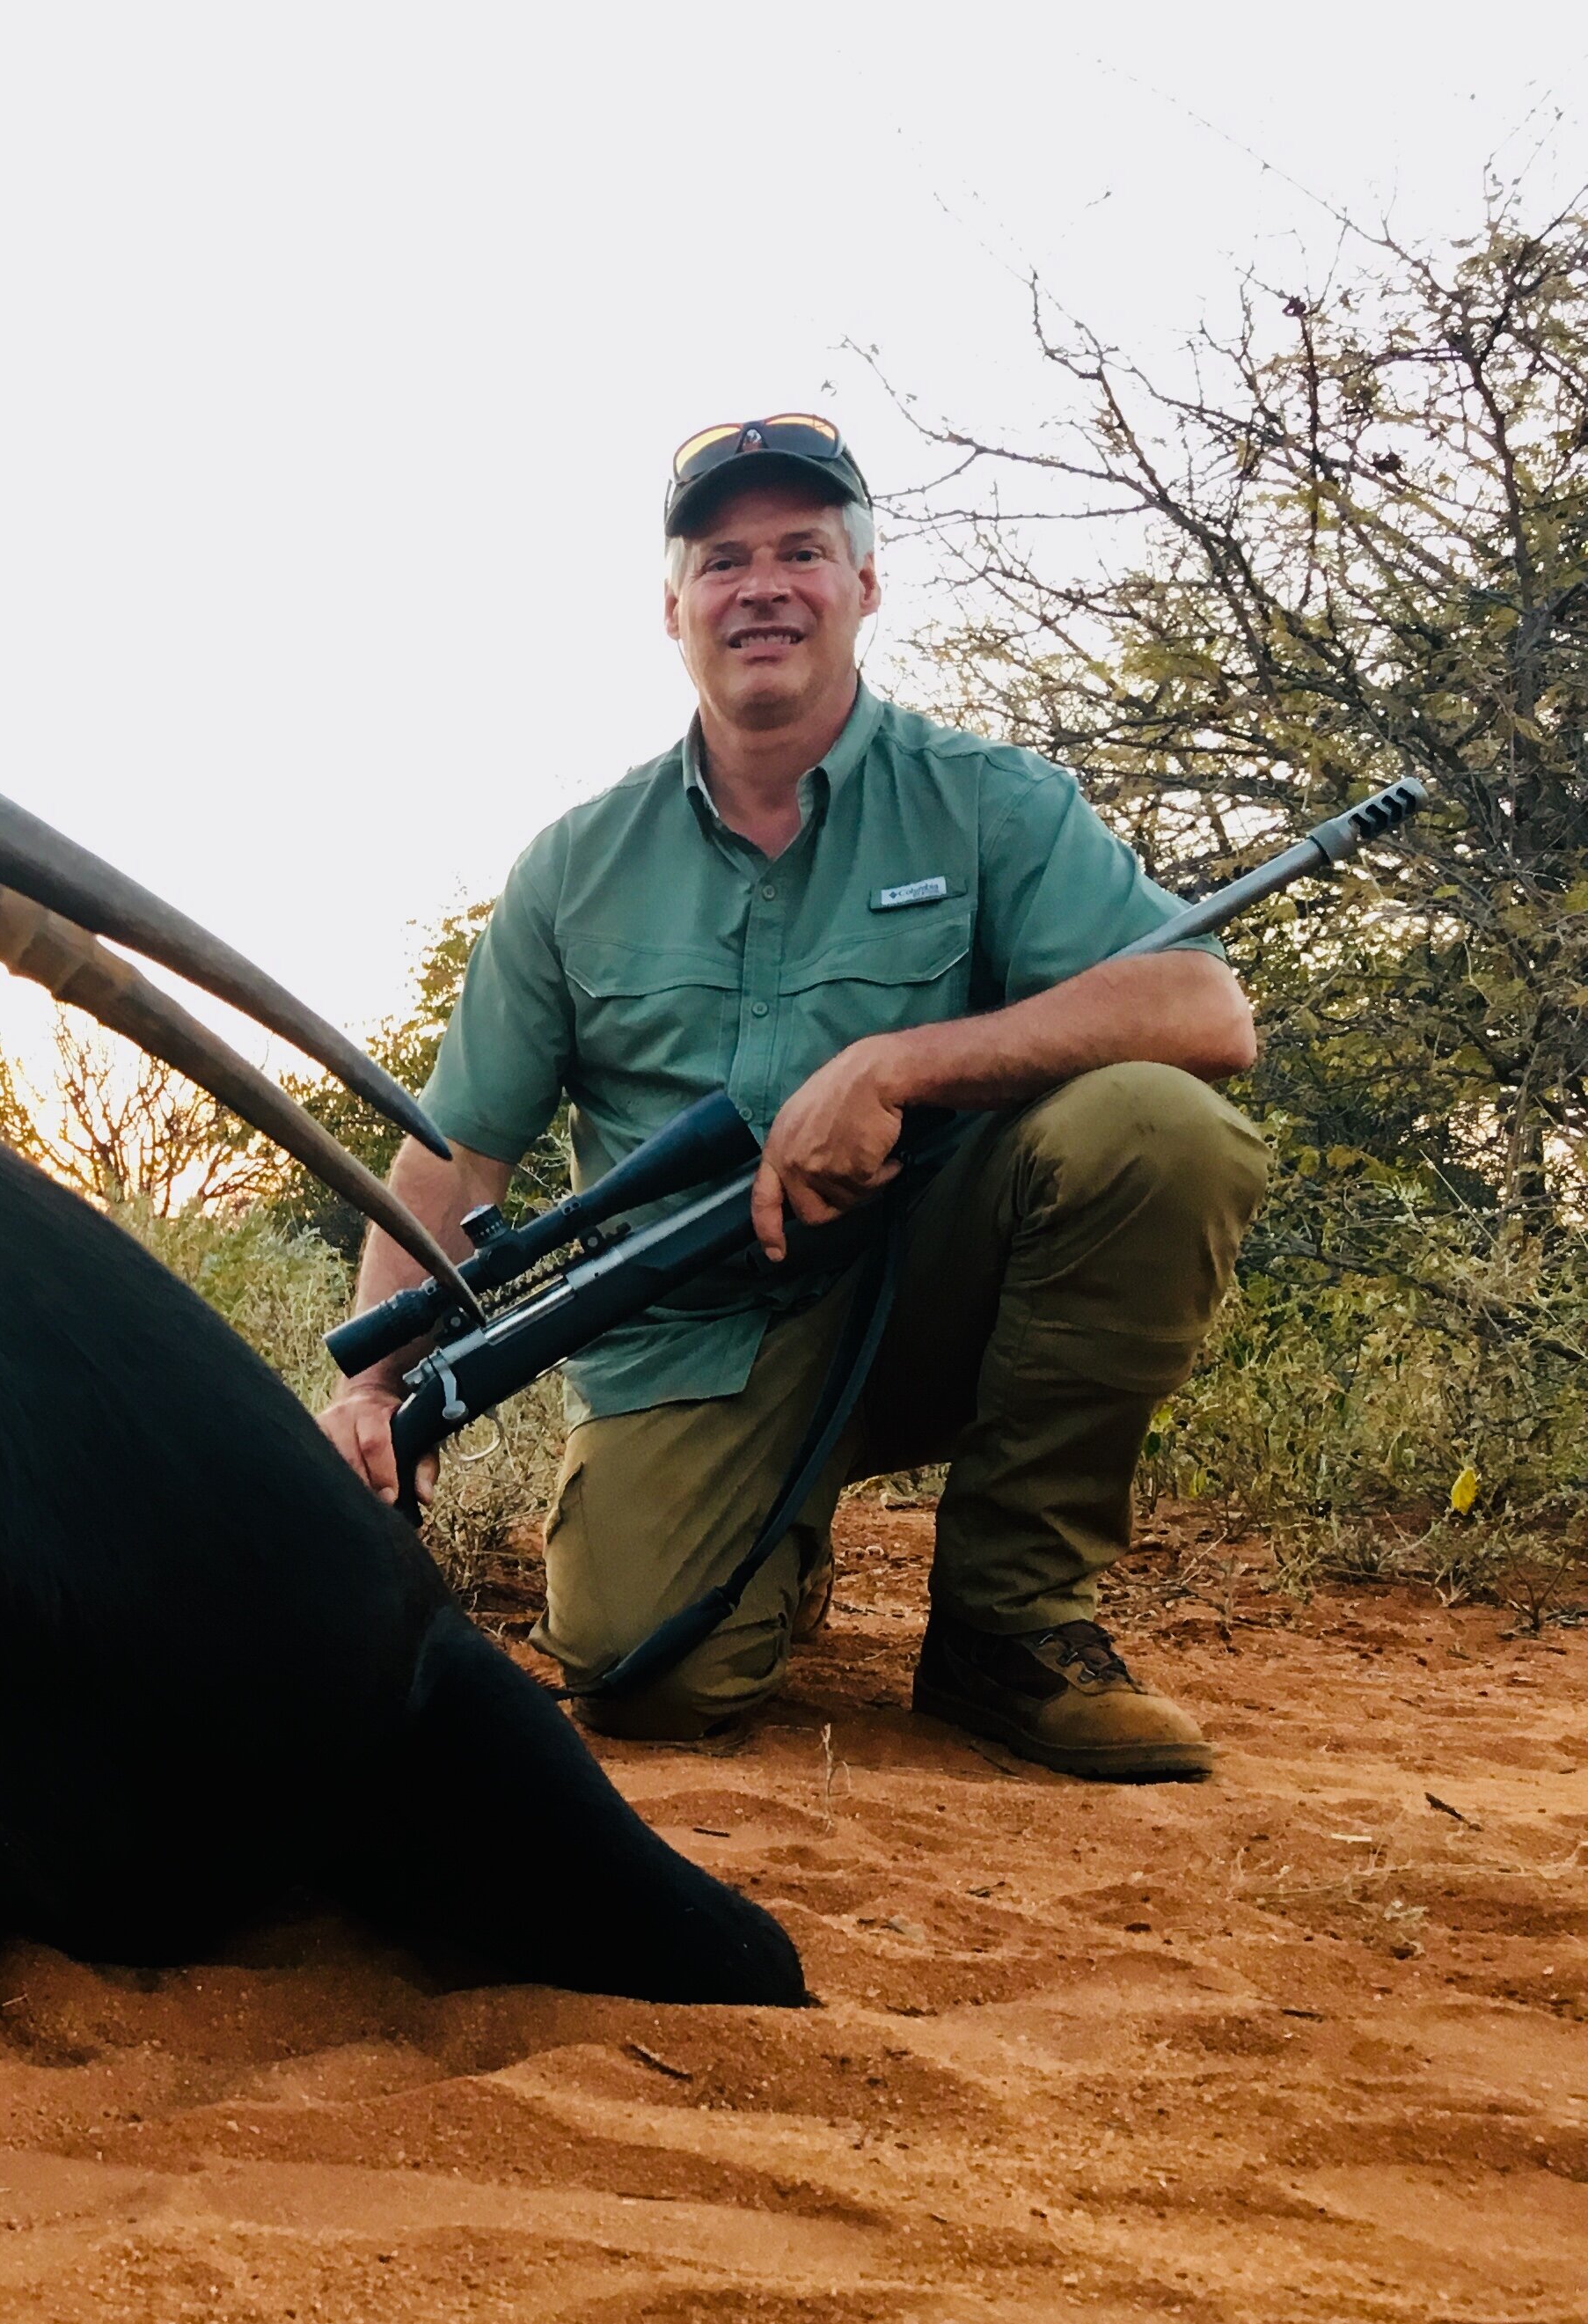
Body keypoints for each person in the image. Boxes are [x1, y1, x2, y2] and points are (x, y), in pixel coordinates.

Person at [318, 414, 1265, 1778]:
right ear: (674, 606)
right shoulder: (573, 866)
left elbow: (1201, 1011)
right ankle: (777, 1526)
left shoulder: (991, 801)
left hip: (928, 1290)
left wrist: (897, 1067)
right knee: (646, 1681)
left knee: (1157, 1132)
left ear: (863, 586)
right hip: (696, 1334)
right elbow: (460, 1154)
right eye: (722, 559)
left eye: (802, 551)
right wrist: (373, 1379)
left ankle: (1011, 1627)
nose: (761, 585)